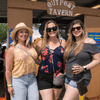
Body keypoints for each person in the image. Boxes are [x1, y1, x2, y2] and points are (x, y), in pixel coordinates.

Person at [63, 19, 100, 100]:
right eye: (73, 29)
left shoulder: (90, 42)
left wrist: (84, 68)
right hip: (68, 77)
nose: (76, 30)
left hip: (80, 78)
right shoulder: (71, 43)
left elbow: (97, 59)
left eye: (78, 28)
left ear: (82, 29)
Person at [5, 22, 39, 100]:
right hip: (18, 79)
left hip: (32, 78)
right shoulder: (12, 49)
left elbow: (35, 60)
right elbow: (8, 70)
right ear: (17, 34)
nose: (24, 34)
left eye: (26, 32)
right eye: (21, 32)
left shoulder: (31, 46)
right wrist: (9, 85)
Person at [35, 20, 66, 100]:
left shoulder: (63, 43)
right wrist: (42, 63)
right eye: (49, 29)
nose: (52, 30)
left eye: (54, 28)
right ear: (46, 31)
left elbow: (66, 59)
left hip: (58, 75)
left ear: (57, 29)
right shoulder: (41, 43)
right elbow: (34, 57)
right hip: (44, 76)